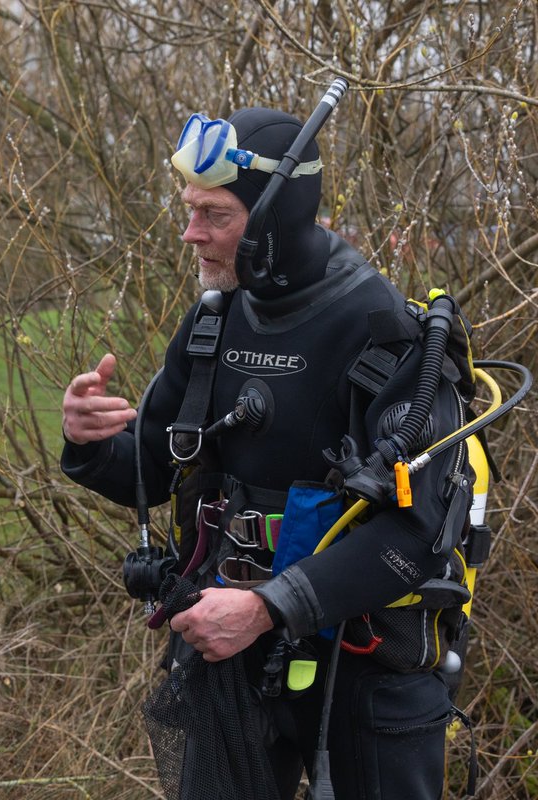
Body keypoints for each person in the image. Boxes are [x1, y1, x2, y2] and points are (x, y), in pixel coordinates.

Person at [61, 107, 473, 799]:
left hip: (365, 665)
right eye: (189, 210)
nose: (191, 234)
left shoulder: (385, 332)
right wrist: (87, 443)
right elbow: (154, 471)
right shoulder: (214, 320)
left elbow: (420, 535)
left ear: (275, 218)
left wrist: (267, 608)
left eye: (214, 215)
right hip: (228, 658)